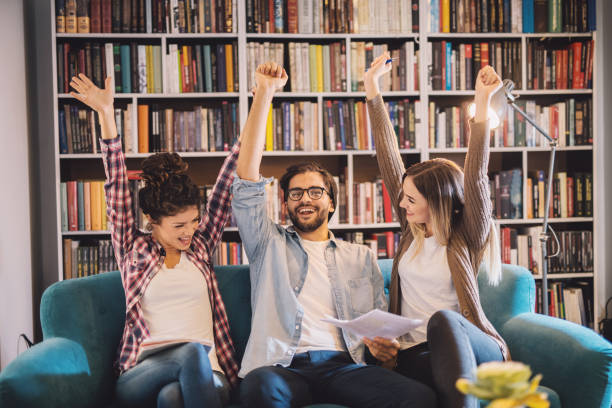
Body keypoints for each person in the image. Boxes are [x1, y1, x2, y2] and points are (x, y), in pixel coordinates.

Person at [232, 61, 437, 408]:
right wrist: (264, 94)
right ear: (286, 204)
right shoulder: (268, 244)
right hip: (283, 367)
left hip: (345, 368)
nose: (305, 199)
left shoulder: (361, 257)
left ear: (331, 202)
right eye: (295, 194)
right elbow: (247, 180)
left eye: (315, 192)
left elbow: (378, 334)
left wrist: (383, 351)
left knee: (417, 397)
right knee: (259, 389)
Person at [69, 72, 252, 407]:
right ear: (152, 221)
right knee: (190, 353)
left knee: (174, 395)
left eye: (195, 221)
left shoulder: (200, 247)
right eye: (179, 225)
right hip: (142, 373)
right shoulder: (132, 247)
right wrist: (106, 114)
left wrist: (258, 107)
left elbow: (228, 179)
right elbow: (116, 189)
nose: (190, 231)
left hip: (211, 375)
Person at [362, 53, 509, 408]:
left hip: (473, 345)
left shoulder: (466, 235)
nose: (402, 206)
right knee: (419, 379)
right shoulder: (410, 232)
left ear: (439, 201)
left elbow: (474, 178)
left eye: (411, 200)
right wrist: (371, 90)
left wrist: (482, 103)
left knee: (443, 320)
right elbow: (388, 157)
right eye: (403, 198)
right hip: (417, 352)